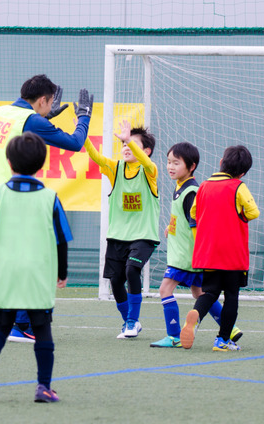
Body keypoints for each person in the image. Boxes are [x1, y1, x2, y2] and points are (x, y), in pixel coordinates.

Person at [0, 75, 93, 342]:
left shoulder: (0, 111)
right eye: (50, 102)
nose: (51, 106)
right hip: (3, 196)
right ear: (43, 100)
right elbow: (76, 143)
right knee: (21, 255)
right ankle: (20, 325)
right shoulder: (32, 120)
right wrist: (84, 116)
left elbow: (25, 128)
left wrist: (45, 119)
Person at [0, 132, 71, 403]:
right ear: (41, 164)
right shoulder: (51, 198)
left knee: (0, 326)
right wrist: (62, 272)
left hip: (5, 274)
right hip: (37, 276)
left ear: (9, 163)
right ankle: (43, 387)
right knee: (42, 329)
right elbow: (61, 240)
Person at [150, 142, 242, 348]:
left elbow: (198, 223)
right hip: (190, 254)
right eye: (168, 162)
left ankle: (174, 336)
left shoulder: (191, 191)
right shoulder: (181, 187)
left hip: (187, 255)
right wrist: (171, 226)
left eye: (176, 163)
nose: (170, 167)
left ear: (191, 166)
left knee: (165, 289)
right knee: (199, 293)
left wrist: (202, 251)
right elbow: (184, 218)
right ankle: (230, 328)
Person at [85, 119, 160, 338]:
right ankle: (130, 321)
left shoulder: (149, 172)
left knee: (131, 270)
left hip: (143, 237)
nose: (126, 147)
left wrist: (129, 139)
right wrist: (83, 134)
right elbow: (96, 156)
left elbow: (149, 164)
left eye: (132, 144)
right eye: (124, 144)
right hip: (117, 237)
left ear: (146, 150)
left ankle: (131, 321)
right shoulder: (115, 169)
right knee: (116, 281)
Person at [180, 145, 259, 351]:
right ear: (242, 172)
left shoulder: (204, 186)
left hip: (208, 252)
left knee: (210, 292)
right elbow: (253, 212)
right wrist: (238, 215)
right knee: (231, 295)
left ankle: (196, 316)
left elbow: (194, 214)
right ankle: (222, 340)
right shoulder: (238, 186)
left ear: (221, 162)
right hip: (233, 252)